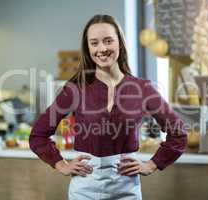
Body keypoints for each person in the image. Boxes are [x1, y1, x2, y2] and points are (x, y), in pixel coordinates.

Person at [29, 14, 187, 200]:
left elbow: (178, 132)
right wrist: (61, 164)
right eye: (94, 43)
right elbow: (38, 135)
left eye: (108, 41)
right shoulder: (75, 89)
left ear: (119, 43)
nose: (102, 49)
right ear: (88, 49)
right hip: (84, 187)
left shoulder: (143, 88)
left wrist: (151, 164)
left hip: (126, 188)